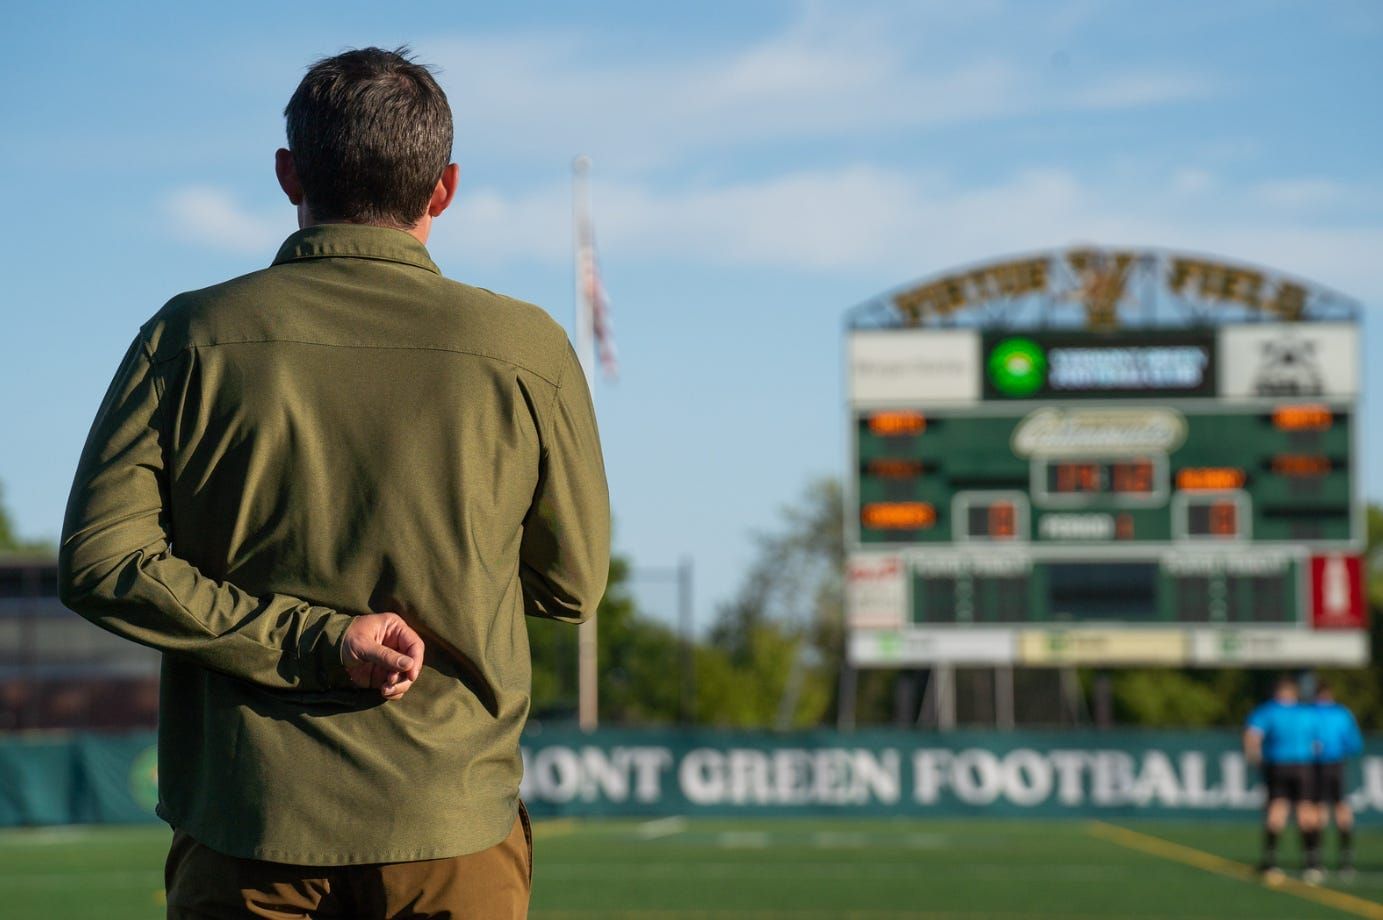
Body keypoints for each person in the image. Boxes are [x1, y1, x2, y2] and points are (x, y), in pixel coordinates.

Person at [59, 47, 609, 918]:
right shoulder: (524, 349)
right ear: (444, 188)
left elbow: (101, 562)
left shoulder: (190, 336)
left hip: (249, 825)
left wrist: (314, 635)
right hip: (451, 825)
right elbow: (570, 585)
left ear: (289, 175)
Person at [1244, 676, 1322, 882]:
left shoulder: (1268, 710)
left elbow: (1253, 736)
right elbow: (1318, 745)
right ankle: (1312, 864)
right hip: (1303, 766)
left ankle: (1270, 862)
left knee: (1277, 809)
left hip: (1277, 765)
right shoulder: (1306, 712)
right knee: (1306, 810)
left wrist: (1255, 758)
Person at [1314, 680, 1363, 875]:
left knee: (1320, 809)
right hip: (1337, 764)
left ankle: (1316, 859)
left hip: (1316, 765)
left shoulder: (1310, 713)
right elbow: (1354, 744)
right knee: (1341, 807)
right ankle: (1346, 859)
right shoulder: (1343, 713)